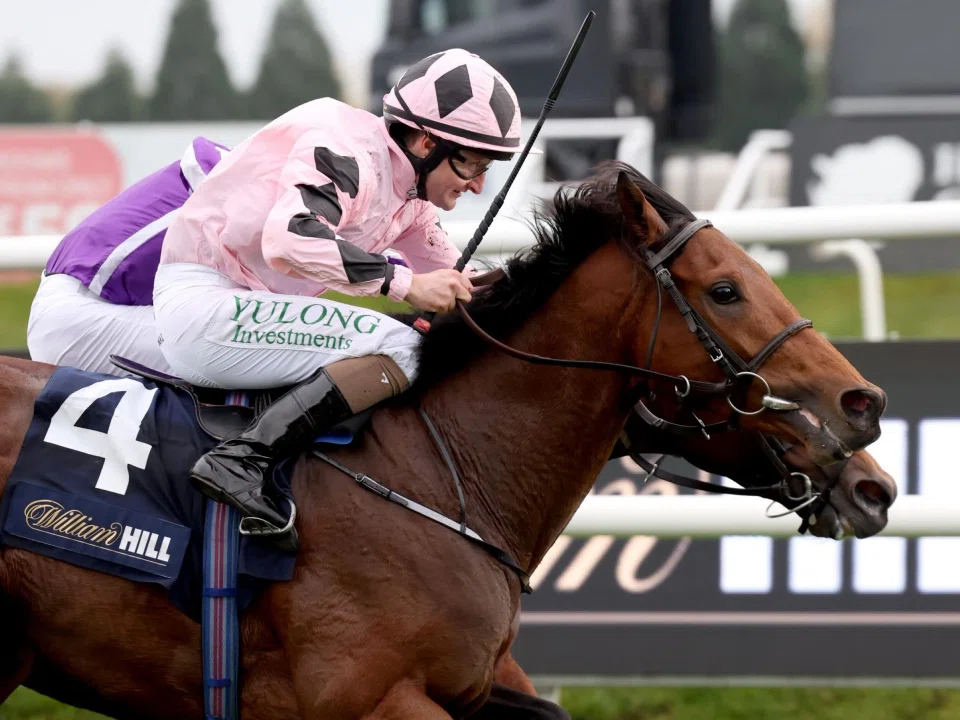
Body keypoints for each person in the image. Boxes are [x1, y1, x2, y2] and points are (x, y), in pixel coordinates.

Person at [153, 49, 527, 547]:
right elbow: (290, 239)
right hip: (205, 305)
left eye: (485, 167)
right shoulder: (347, 144)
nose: (478, 184)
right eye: (469, 162)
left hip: (243, 307)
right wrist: (405, 284)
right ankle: (242, 460)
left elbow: (457, 281)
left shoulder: (410, 198)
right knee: (400, 345)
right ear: (424, 141)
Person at [27, 137, 230, 375]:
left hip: (75, 303)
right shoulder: (237, 184)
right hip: (82, 314)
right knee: (239, 346)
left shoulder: (243, 172)